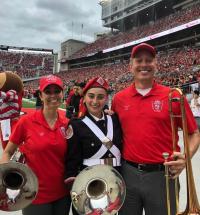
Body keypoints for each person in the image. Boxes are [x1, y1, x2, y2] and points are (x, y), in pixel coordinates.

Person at [111, 43, 200, 215]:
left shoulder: (173, 95)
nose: (144, 64)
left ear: (156, 64)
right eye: (139, 60)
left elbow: (194, 133)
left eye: (149, 60)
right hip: (127, 175)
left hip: (163, 175)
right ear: (131, 66)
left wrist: (185, 158)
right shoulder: (118, 99)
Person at [0, 75, 71, 215]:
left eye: (57, 91)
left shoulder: (68, 123)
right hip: (34, 194)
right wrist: (4, 177)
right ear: (40, 95)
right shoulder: (26, 122)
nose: (53, 95)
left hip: (63, 195)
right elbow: (8, 151)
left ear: (62, 94)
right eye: (48, 92)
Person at [65, 77, 122, 215]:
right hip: (89, 182)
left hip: (115, 181)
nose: (95, 101)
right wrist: (72, 180)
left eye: (100, 97)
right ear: (83, 98)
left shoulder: (115, 119)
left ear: (106, 99)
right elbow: (72, 157)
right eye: (91, 96)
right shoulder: (76, 124)